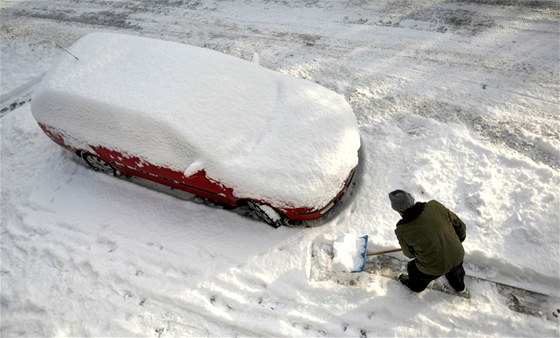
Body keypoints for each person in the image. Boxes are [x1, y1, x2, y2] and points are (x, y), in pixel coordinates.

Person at [388, 189, 467, 295]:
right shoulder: (435, 206)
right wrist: (455, 242)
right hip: (456, 255)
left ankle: (415, 287)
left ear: (399, 211)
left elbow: (409, 254)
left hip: (433, 268)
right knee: (455, 272)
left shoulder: (402, 230)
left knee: (413, 268)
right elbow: (460, 226)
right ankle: (460, 287)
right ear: (412, 199)